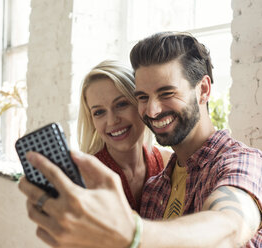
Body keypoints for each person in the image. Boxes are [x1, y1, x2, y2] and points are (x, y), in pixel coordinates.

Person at [18, 32, 262, 248]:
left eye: (167, 93)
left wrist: (130, 233)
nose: (153, 110)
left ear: (204, 90)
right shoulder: (155, 188)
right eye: (143, 97)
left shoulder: (243, 162)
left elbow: (230, 227)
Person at [78, 60, 171, 212]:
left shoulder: (169, 164)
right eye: (99, 112)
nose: (112, 120)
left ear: (141, 103)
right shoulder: (86, 178)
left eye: (121, 104)